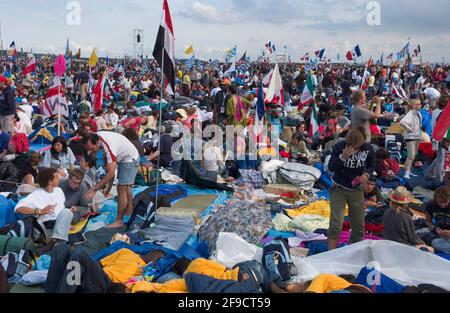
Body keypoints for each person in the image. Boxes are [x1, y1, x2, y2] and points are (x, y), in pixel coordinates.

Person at [327, 128, 376, 250]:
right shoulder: (339, 146)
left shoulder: (367, 148)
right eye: (351, 145)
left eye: (357, 146)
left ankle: (352, 252)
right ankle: (330, 253)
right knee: (336, 224)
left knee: (358, 224)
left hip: (356, 189)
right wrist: (343, 157)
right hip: (339, 188)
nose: (354, 148)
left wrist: (366, 175)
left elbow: (372, 165)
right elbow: (331, 167)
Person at [83, 132, 139, 228]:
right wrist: (107, 191)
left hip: (130, 158)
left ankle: (119, 221)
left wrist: (95, 188)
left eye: (92, 149)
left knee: (121, 188)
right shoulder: (96, 137)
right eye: (87, 150)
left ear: (97, 143)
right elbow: (109, 170)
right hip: (126, 156)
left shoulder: (109, 147)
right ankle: (129, 209)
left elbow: (111, 173)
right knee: (126, 186)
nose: (90, 152)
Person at [14, 168, 73, 256]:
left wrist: (66, 222)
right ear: (50, 182)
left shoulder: (59, 191)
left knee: (67, 212)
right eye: (56, 177)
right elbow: (17, 208)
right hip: (46, 229)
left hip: (59, 228)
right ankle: (54, 243)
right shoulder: (36, 195)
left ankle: (53, 244)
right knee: (67, 212)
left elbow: (61, 209)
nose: (59, 179)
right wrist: (39, 211)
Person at [383, 187, 434, 253]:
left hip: (387, 243)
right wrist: (422, 243)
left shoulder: (386, 212)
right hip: (401, 247)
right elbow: (413, 237)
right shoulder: (405, 215)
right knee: (431, 250)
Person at [399, 99, 423, 179]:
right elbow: (402, 122)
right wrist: (409, 129)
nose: (420, 105)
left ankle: (407, 169)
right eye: (418, 104)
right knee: (411, 155)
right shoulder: (410, 113)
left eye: (420, 104)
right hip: (411, 137)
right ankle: (406, 172)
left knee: (414, 154)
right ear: (414, 105)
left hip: (417, 136)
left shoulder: (418, 113)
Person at [424, 186, 450, 253]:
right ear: (435, 199)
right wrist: (434, 228)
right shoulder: (430, 205)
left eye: (445, 202)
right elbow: (428, 221)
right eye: (440, 202)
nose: (443, 205)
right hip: (440, 233)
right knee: (434, 243)